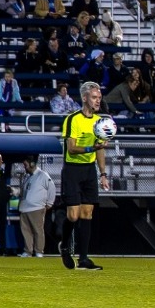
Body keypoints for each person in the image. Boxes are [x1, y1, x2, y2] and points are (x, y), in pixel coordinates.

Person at [58, 81, 108, 271]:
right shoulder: (73, 119)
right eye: (94, 97)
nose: (97, 101)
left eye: (99, 98)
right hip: (72, 169)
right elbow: (71, 148)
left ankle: (84, 258)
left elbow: (101, 150)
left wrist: (103, 173)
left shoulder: (100, 122)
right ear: (85, 98)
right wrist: (91, 147)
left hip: (89, 170)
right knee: (73, 215)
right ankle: (64, 246)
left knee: (87, 214)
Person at [17, 155, 54, 258]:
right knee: (26, 231)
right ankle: (28, 251)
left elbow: (52, 188)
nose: (25, 167)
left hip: (37, 208)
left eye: (26, 165)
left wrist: (50, 203)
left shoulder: (43, 175)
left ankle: (39, 251)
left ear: (32, 164)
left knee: (38, 230)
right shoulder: (28, 177)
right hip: (25, 208)